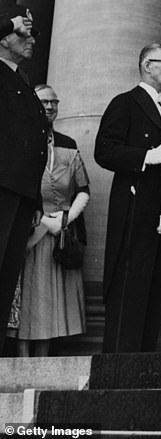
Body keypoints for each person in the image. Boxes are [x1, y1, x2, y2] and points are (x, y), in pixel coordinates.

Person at [95, 43, 161, 352]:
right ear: (148, 66)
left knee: (152, 287)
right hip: (137, 209)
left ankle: (142, 364)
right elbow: (104, 150)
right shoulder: (126, 103)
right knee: (130, 286)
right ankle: (120, 367)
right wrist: (148, 156)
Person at [12, 84, 90, 355]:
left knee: (50, 301)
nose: (50, 107)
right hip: (28, 232)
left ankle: (43, 358)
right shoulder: (19, 139)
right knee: (27, 297)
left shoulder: (68, 144)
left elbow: (83, 190)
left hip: (59, 235)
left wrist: (65, 220)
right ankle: (22, 358)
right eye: (44, 102)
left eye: (54, 102)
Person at [0, 4, 48, 355]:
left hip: (21, 193)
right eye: (23, 33)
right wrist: (8, 22)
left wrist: (36, 200)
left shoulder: (23, 82)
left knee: (6, 276)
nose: (31, 39)